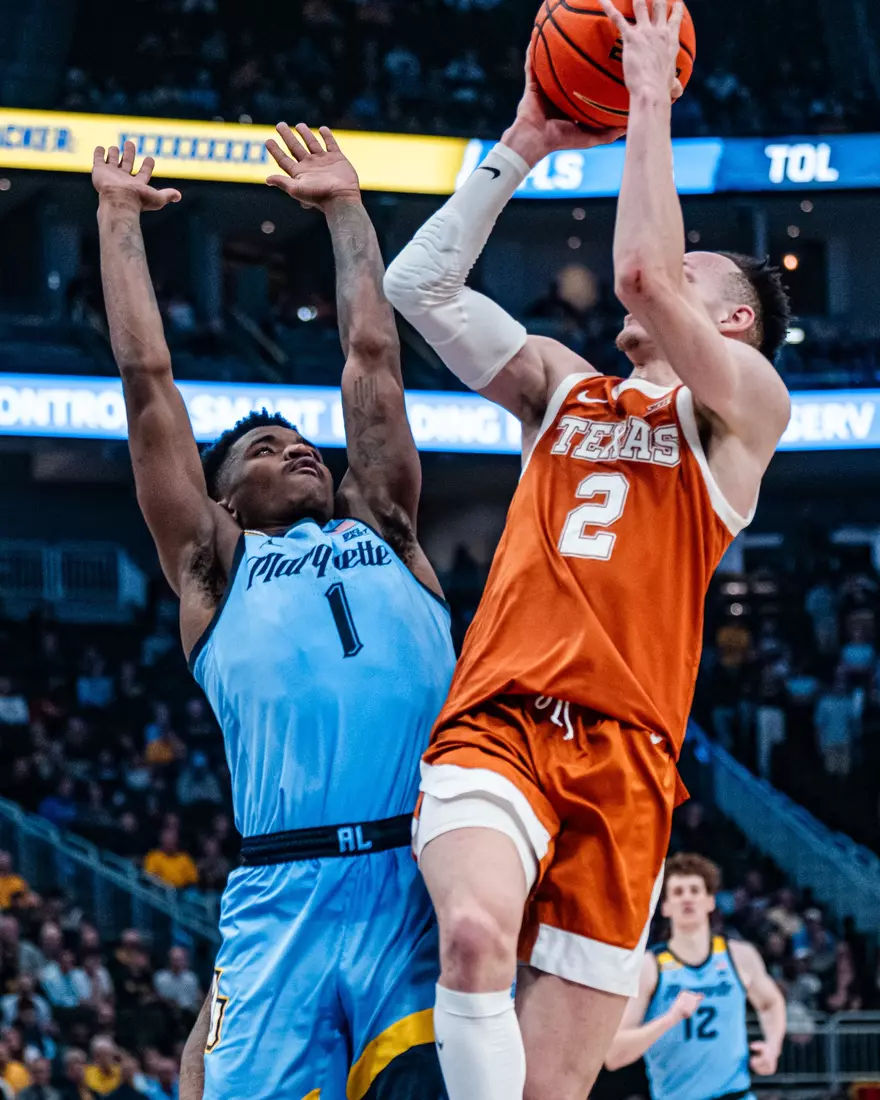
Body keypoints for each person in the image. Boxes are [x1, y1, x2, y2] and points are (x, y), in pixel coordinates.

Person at [383, 3, 792, 1096]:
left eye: (700, 264)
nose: (672, 259)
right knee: (470, 935)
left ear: (737, 321)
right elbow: (413, 289)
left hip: (626, 763)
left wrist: (650, 94)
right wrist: (520, 140)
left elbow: (645, 275)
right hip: (502, 718)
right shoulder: (562, 387)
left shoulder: (743, 412)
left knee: (551, 1088)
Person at [93, 125, 454, 1100]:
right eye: (261, 445)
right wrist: (116, 218)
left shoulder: (385, 523)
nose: (294, 447)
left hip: (414, 887)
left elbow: (371, 354)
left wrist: (347, 210)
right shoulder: (214, 565)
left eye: (301, 440)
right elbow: (146, 385)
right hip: (278, 893)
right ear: (220, 500)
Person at [604, 854, 786, 1100]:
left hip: (735, 1094)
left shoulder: (739, 955)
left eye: (694, 890)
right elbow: (614, 1055)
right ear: (665, 906)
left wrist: (773, 1047)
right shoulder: (649, 967)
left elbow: (770, 1002)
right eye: (678, 892)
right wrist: (669, 1019)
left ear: (710, 901)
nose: (687, 898)